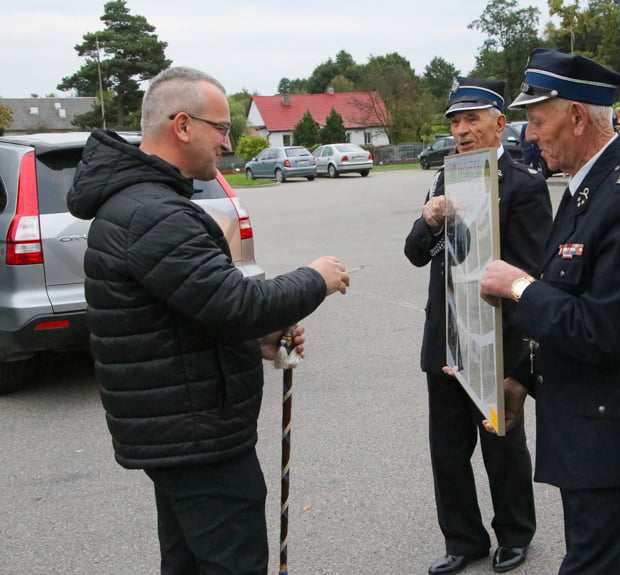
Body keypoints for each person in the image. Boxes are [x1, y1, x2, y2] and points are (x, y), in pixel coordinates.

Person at [67, 66, 350, 575]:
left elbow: (189, 311)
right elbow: (237, 304)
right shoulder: (153, 213)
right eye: (220, 128)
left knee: (188, 562)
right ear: (182, 125)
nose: (228, 142)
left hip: (183, 431)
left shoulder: (146, 203)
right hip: (197, 438)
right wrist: (315, 278)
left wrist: (254, 341)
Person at [479, 49, 620, 574]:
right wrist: (523, 379)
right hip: (587, 427)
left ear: (577, 117)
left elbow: (603, 331)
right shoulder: (587, 190)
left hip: (612, 434)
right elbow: (573, 301)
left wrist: (519, 287)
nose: (530, 136)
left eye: (537, 120)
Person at [405, 76, 552, 575]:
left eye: (472, 119)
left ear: (498, 123)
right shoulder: (445, 179)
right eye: (455, 122)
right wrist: (428, 220)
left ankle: (514, 534)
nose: (462, 130)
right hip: (444, 337)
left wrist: (518, 362)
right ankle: (462, 539)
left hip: (495, 338)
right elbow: (413, 255)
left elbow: (532, 275)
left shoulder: (525, 185)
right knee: (447, 451)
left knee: (501, 446)